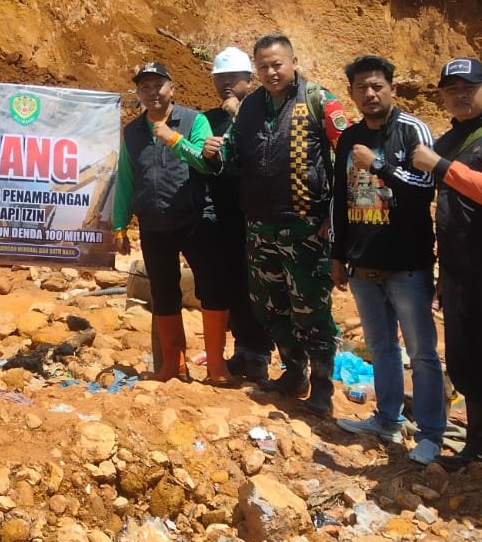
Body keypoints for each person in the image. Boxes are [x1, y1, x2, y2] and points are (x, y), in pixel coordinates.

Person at [410, 58, 482, 481]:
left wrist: (440, 166)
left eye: (469, 87)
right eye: (451, 89)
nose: (460, 95)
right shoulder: (449, 139)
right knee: (467, 362)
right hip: (460, 273)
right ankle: (479, 447)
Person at [221, 33, 349, 414]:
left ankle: (323, 385)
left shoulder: (319, 101)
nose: (271, 72)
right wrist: (210, 150)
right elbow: (232, 154)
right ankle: (295, 371)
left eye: (277, 64)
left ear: (293, 61)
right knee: (268, 306)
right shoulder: (249, 108)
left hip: (307, 228)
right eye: (262, 67)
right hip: (261, 227)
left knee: (311, 308)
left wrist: (334, 217)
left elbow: (348, 158)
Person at [329, 55, 445, 463]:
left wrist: (379, 165)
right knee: (380, 348)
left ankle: (432, 433)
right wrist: (338, 254)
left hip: (407, 263)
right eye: (362, 87)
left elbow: (427, 185)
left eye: (377, 85)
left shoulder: (412, 130)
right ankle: (387, 418)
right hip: (363, 262)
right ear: (352, 93)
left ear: (392, 88)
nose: (370, 93)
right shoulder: (348, 138)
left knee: (422, 352)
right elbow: (339, 199)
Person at [114, 61, 229, 384]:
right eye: (145, 87)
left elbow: (207, 165)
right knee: (163, 293)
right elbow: (126, 178)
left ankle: (217, 366)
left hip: (196, 220)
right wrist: (120, 225)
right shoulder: (133, 131)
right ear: (138, 93)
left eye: (158, 86)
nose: (152, 92)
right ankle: (173, 366)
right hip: (154, 224)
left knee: (212, 288)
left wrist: (174, 140)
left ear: (172, 89)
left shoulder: (196, 121)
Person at [200, 46, 274, 383]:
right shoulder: (210, 119)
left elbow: (266, 154)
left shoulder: (263, 114)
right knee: (231, 284)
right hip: (222, 218)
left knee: (258, 286)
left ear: (249, 79)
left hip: (258, 216)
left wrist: (239, 116)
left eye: (233, 77)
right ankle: (241, 350)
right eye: (220, 78)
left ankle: (260, 353)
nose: (226, 83)